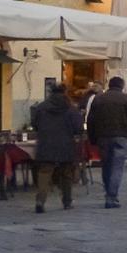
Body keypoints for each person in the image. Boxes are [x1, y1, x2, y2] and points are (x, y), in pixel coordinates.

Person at [85, 75, 127, 211]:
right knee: (117, 167)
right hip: (122, 136)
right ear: (122, 86)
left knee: (106, 166)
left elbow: (91, 120)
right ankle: (112, 196)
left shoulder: (98, 99)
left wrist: (92, 138)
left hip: (103, 137)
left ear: (109, 85)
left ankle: (109, 193)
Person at [29, 79, 84, 215]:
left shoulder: (41, 107)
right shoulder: (71, 108)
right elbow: (78, 128)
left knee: (44, 173)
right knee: (66, 174)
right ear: (65, 92)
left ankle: (40, 201)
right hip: (65, 144)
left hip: (46, 143)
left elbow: (34, 125)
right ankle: (67, 201)